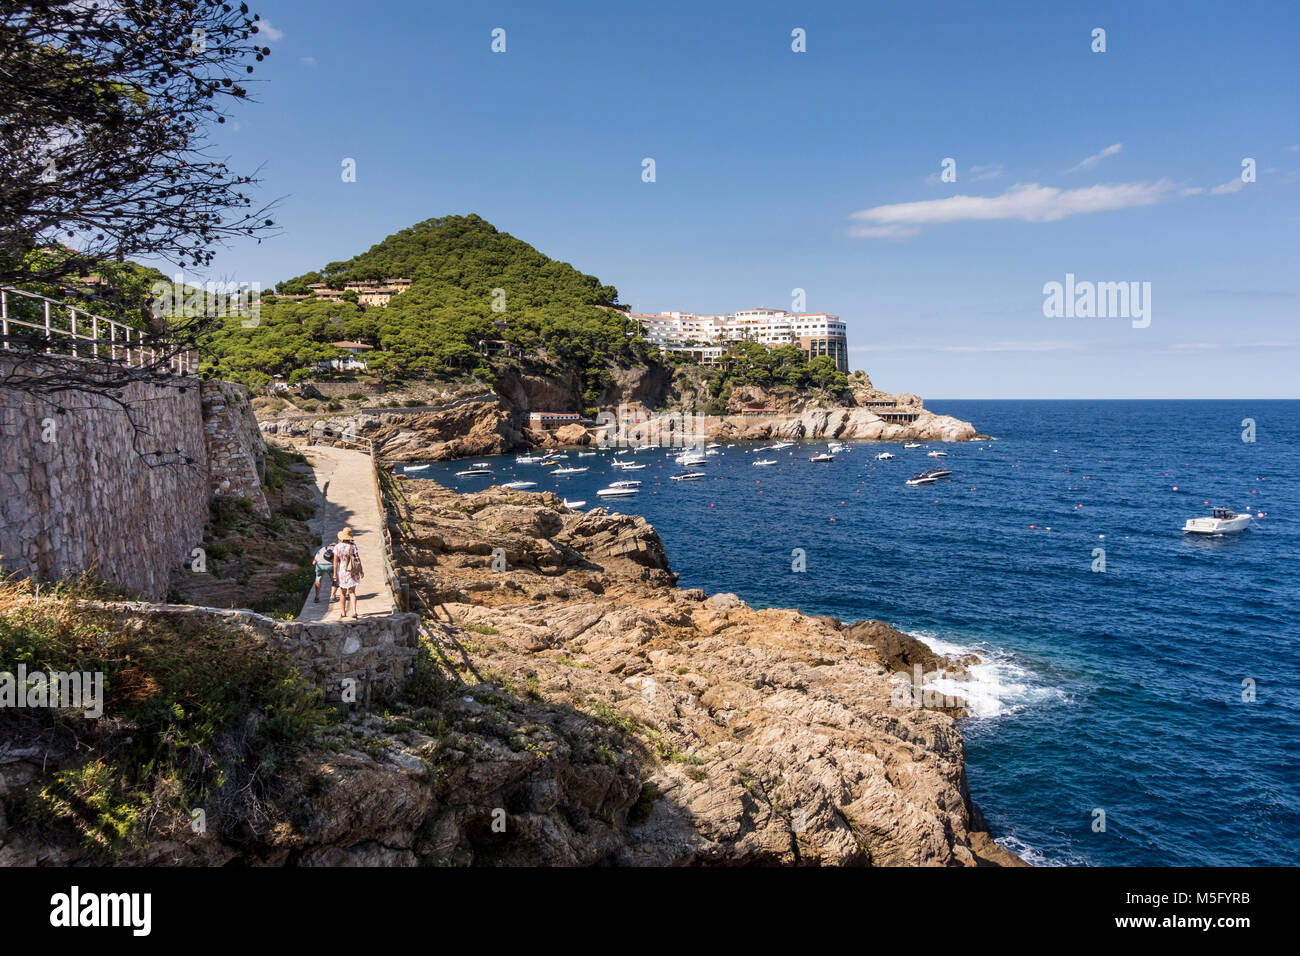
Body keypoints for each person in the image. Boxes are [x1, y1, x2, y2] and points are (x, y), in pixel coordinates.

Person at [332, 527, 363, 619]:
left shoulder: (337, 547)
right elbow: (358, 559)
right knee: (352, 592)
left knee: (342, 593)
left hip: (342, 571)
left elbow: (335, 561)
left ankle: (343, 612)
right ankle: (354, 611)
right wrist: (361, 570)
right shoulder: (353, 546)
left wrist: (334, 574)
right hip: (352, 570)